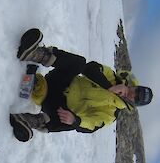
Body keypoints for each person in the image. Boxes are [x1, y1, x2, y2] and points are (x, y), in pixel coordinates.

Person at [10, 28, 153, 142]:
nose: (133, 94)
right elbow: (90, 68)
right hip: (59, 81)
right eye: (136, 91)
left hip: (57, 106)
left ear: (133, 103)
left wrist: (76, 121)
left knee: (71, 124)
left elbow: (92, 124)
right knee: (79, 63)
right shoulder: (112, 77)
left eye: (136, 98)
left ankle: (30, 122)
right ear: (135, 86)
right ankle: (35, 54)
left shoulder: (111, 114)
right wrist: (109, 86)